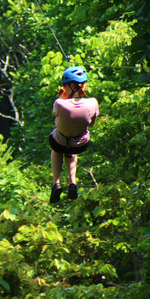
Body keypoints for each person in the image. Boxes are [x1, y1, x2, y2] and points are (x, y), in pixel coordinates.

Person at [49, 67, 99, 203]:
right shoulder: (92, 102)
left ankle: (56, 183)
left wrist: (61, 97)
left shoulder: (60, 103)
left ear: (71, 86)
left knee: (58, 147)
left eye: (65, 86)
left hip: (59, 142)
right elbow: (91, 124)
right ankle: (72, 183)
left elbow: (55, 112)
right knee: (71, 149)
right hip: (80, 144)